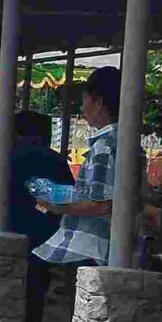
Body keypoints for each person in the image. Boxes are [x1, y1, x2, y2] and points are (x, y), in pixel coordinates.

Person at [32, 67, 122, 276]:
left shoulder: (104, 147)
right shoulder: (125, 144)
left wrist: (56, 205)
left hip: (87, 246)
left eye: (84, 100)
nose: (82, 108)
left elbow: (99, 204)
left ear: (98, 103)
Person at [7, 110, 73, 322]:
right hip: (44, 232)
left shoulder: (10, 156)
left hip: (9, 228)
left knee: (8, 283)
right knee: (36, 285)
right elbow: (69, 195)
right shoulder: (56, 160)